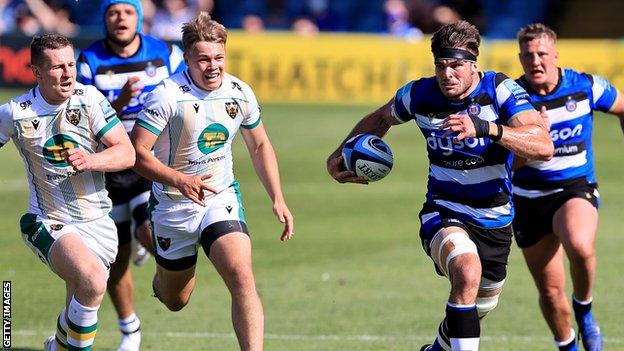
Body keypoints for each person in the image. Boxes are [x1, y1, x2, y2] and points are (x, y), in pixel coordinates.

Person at [327, 21, 553, 351]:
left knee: (478, 307)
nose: (447, 75)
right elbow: (380, 118)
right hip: (443, 211)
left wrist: (488, 128)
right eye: (441, 66)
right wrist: (342, 152)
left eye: (457, 65)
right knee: (466, 270)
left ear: (474, 63)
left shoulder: (499, 90)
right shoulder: (420, 93)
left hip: (496, 220)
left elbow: (543, 145)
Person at [131, 12, 294, 351]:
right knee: (176, 299)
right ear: (187, 57)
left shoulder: (239, 92)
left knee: (240, 274)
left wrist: (277, 197)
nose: (213, 66)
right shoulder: (165, 95)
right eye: (203, 58)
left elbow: (260, 145)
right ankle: (158, 266)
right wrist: (180, 179)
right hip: (172, 206)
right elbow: (137, 154)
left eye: (219, 57)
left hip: (220, 197)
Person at [0, 34, 134, 351]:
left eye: (71, 64)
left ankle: (57, 347)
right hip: (47, 220)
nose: (68, 74)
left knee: (82, 303)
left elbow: (127, 153)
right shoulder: (15, 113)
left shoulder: (90, 100)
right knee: (92, 281)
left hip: (99, 222)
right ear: (36, 72)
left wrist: (92, 159)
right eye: (58, 67)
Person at [77, 0, 186, 350]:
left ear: (138, 16)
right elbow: (81, 122)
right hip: (106, 168)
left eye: (127, 11)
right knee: (113, 259)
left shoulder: (167, 55)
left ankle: (158, 267)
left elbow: (186, 102)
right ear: (104, 18)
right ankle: (130, 329)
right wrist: (119, 104)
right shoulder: (88, 61)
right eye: (112, 12)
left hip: (147, 162)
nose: (120, 18)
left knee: (147, 229)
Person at [512, 23, 624, 351]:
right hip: (527, 199)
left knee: (578, 242)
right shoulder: (512, 100)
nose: (536, 61)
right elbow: (506, 165)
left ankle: (585, 309)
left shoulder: (584, 86)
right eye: (528, 55)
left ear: (555, 55)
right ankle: (568, 346)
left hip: (574, 188)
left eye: (542, 54)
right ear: (520, 58)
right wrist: (533, 140)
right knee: (548, 291)